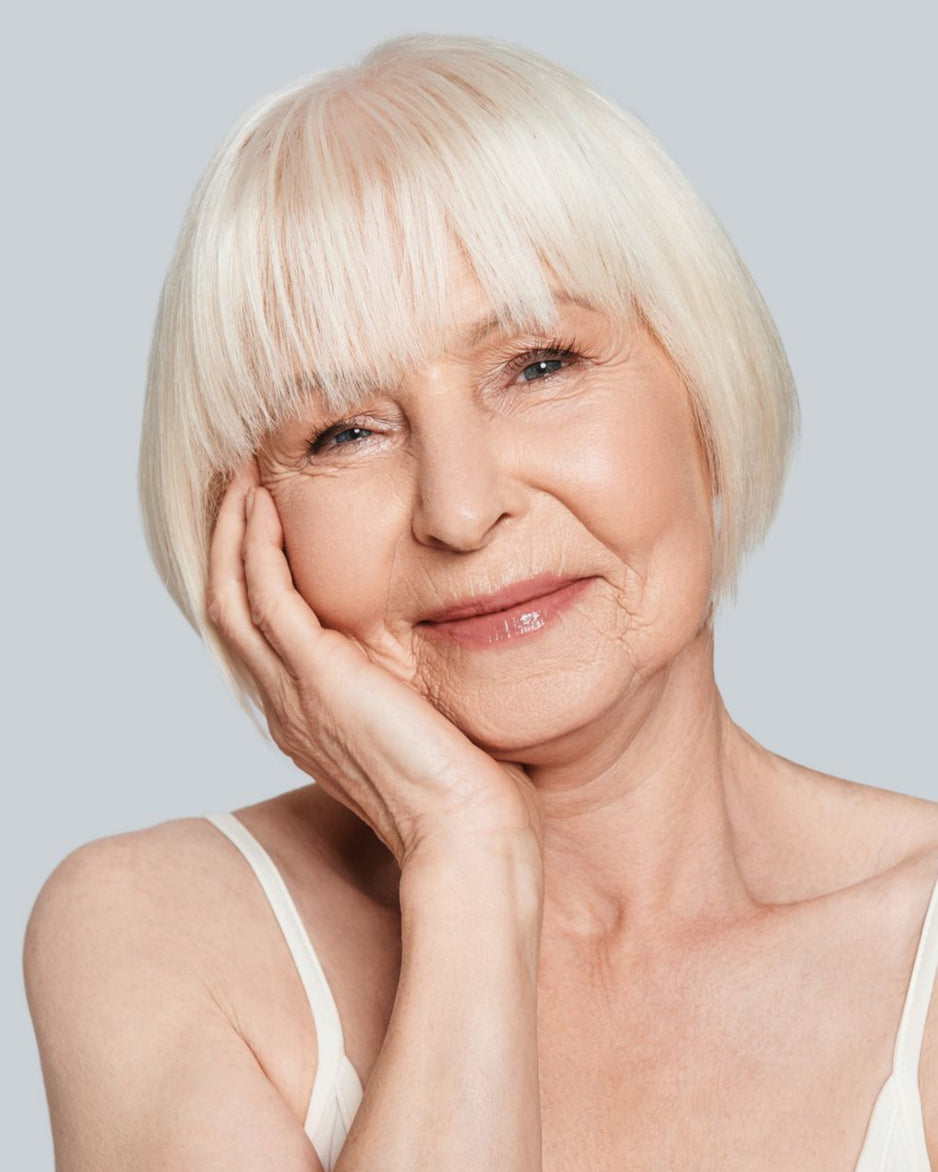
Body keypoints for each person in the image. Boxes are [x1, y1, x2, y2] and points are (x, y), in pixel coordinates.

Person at [23, 31, 938, 1172]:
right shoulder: (162, 931)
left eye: (539, 363)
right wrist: (466, 859)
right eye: (344, 431)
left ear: (704, 394)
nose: (458, 509)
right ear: (247, 523)